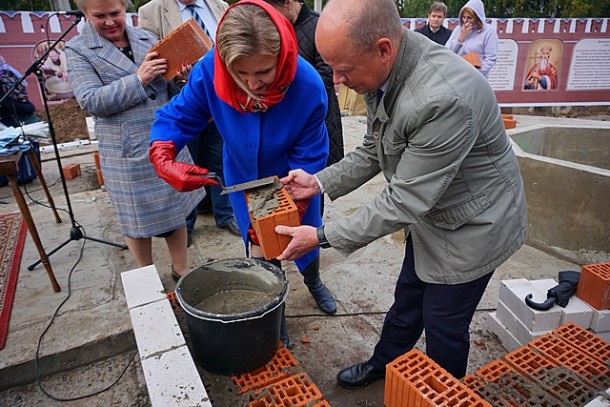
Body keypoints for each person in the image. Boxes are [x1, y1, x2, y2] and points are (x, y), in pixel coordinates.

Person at [274, 0, 527, 388]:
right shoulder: (386, 70)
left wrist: (321, 236)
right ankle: (384, 364)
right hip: (433, 216)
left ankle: (442, 392)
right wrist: (319, 181)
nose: (337, 80)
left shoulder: (442, 99)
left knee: (443, 325)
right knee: (408, 299)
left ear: (383, 49)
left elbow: (404, 199)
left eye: (344, 69)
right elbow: (376, 146)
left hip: (473, 227)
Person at [148, 0, 338, 343]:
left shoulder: (308, 85)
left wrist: (290, 204)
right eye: (241, 73)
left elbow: (310, 152)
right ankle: (274, 309)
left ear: (281, 58)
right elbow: (179, 116)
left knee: (302, 241)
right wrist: (163, 154)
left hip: (293, 178)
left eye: (263, 72)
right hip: (243, 178)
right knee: (262, 251)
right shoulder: (210, 70)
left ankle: (313, 280)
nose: (252, 84)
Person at [66, 0, 204, 281]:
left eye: (115, 13)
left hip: (166, 139)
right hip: (126, 150)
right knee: (136, 218)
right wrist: (138, 79)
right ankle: (146, 274)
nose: (110, 22)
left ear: (125, 8)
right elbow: (90, 101)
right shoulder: (78, 50)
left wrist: (182, 77)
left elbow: (168, 88)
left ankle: (181, 268)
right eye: (99, 16)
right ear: (84, 14)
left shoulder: (147, 38)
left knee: (175, 206)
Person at [138, 0, 240, 246]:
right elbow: (152, 61)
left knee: (221, 158)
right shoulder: (150, 11)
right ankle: (187, 222)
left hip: (222, 99)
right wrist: (178, 74)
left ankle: (226, 214)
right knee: (186, 163)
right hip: (186, 100)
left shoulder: (219, 4)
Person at [263, 0, 344, 216]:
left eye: (273, 9)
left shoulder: (319, 26)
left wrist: (285, 84)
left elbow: (328, 76)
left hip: (317, 118)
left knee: (314, 180)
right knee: (286, 178)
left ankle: (313, 236)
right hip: (283, 120)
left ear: (288, 3)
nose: (270, 16)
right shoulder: (271, 28)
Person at [445, 0, 498, 78]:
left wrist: (475, 73)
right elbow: (447, 51)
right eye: (463, 17)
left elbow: (491, 58)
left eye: (469, 18)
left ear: (477, 17)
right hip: (457, 75)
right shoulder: (458, 29)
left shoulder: (489, 32)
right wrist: (460, 38)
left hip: (477, 77)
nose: (465, 21)